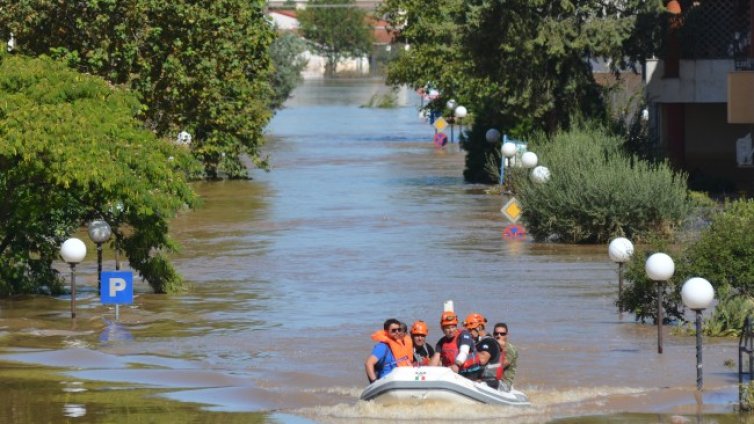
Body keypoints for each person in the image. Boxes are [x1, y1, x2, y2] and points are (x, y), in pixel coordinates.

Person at [429, 311, 480, 378]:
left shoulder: (464, 334)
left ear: (456, 326)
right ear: (442, 329)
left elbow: (464, 352)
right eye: (447, 328)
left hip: (471, 373)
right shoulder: (441, 342)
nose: (451, 330)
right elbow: (436, 359)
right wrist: (428, 371)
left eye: (453, 327)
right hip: (453, 374)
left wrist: (456, 365)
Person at [364, 318, 413, 384]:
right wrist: (374, 382)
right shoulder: (382, 347)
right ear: (386, 332)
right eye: (394, 330)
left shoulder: (401, 345)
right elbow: (368, 363)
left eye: (399, 330)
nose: (397, 332)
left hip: (402, 378)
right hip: (387, 381)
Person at [464, 313, 504, 389]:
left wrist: (464, 352)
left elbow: (482, 360)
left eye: (470, 329)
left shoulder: (489, 342)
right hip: (478, 380)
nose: (469, 333)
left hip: (489, 382)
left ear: (479, 327)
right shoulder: (477, 343)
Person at [493, 322, 518, 390]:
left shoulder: (510, 349)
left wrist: (503, 350)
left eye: (502, 334)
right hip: (490, 378)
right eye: (496, 333)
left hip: (504, 383)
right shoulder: (491, 346)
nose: (499, 336)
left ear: (507, 335)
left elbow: (500, 367)